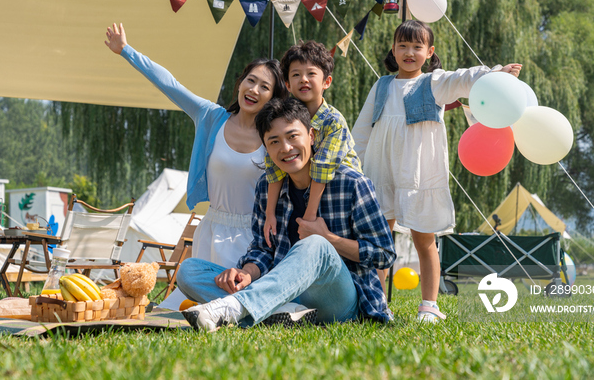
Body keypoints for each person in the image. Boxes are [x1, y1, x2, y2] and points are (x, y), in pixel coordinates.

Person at [351, 20, 522, 322]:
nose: (409, 52)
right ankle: (376, 302)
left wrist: (495, 76)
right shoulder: (381, 86)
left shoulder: (434, 83)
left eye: (417, 47)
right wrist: (356, 167)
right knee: (380, 239)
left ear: (429, 52)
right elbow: (363, 129)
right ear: (393, 49)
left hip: (419, 173)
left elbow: (464, 79)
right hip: (382, 170)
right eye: (402, 45)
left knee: (424, 238)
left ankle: (429, 305)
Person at [178, 98, 396, 332]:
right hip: (285, 293)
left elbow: (384, 254)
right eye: (274, 141)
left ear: (311, 136)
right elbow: (263, 249)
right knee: (189, 271)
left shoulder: (352, 184)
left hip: (339, 301)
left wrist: (329, 239)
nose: (286, 148)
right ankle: (279, 312)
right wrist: (247, 273)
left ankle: (236, 308)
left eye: (293, 136)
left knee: (316, 245)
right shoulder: (266, 187)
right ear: (266, 147)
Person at [104, 23, 288, 272]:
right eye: (250, 80)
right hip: (211, 228)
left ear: (273, 97)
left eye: (264, 87)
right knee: (196, 300)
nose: (254, 89)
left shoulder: (274, 137)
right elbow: (170, 84)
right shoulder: (211, 117)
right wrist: (126, 50)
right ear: (240, 82)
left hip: (254, 236)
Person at [263, 40, 362, 248]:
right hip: (305, 190)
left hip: (339, 190)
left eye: (311, 73)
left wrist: (309, 218)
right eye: (296, 74)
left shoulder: (333, 121)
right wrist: (270, 214)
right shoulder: (285, 120)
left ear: (326, 82)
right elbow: (273, 166)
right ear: (287, 84)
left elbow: (323, 167)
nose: (303, 79)